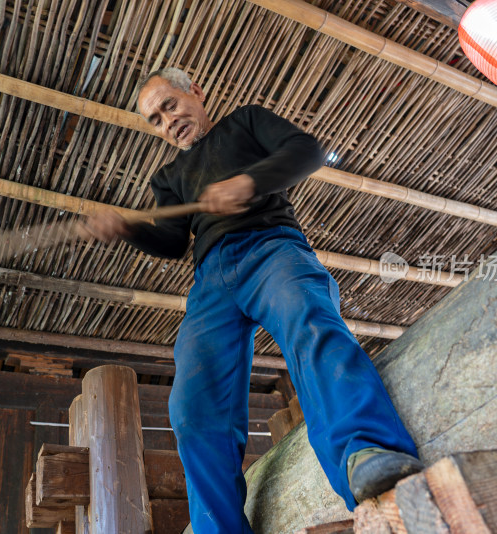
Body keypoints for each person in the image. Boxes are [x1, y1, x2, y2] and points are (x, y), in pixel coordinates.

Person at [82, 68, 422, 533]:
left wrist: (248, 183)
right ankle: (217, 527)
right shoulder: (168, 178)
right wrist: (126, 228)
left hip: (271, 247)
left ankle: (365, 453)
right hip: (210, 282)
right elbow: (171, 241)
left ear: (195, 91)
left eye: (170, 105)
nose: (168, 121)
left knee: (310, 324)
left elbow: (308, 151)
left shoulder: (244, 123)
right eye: (156, 121)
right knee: (192, 405)